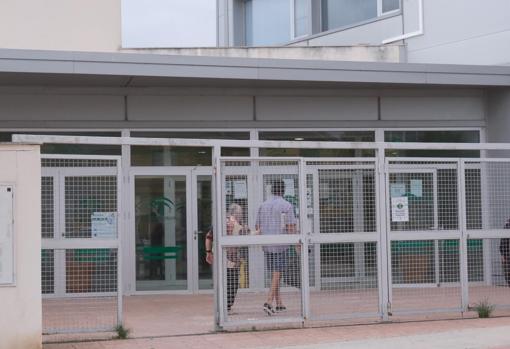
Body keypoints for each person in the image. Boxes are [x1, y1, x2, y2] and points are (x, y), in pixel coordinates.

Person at [256, 179, 297, 316]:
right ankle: (268, 301)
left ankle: (279, 303)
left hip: (267, 244)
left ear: (272, 190)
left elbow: (258, 227)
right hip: (281, 244)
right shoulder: (287, 206)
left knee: (275, 273)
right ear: (283, 190)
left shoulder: (263, 205)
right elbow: (291, 227)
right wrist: (297, 243)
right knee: (278, 271)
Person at [205, 203, 248, 313]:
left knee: (228, 282)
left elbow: (209, 237)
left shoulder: (228, 222)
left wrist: (209, 252)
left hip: (227, 258)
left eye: (241, 213)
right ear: (234, 213)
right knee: (230, 282)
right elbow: (209, 237)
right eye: (239, 213)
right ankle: (226, 307)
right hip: (228, 259)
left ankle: (225, 306)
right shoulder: (229, 222)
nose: (241, 215)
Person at [500, 218, 510, 287]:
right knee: (507, 272)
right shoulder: (507, 226)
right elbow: (503, 241)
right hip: (507, 253)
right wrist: (503, 254)